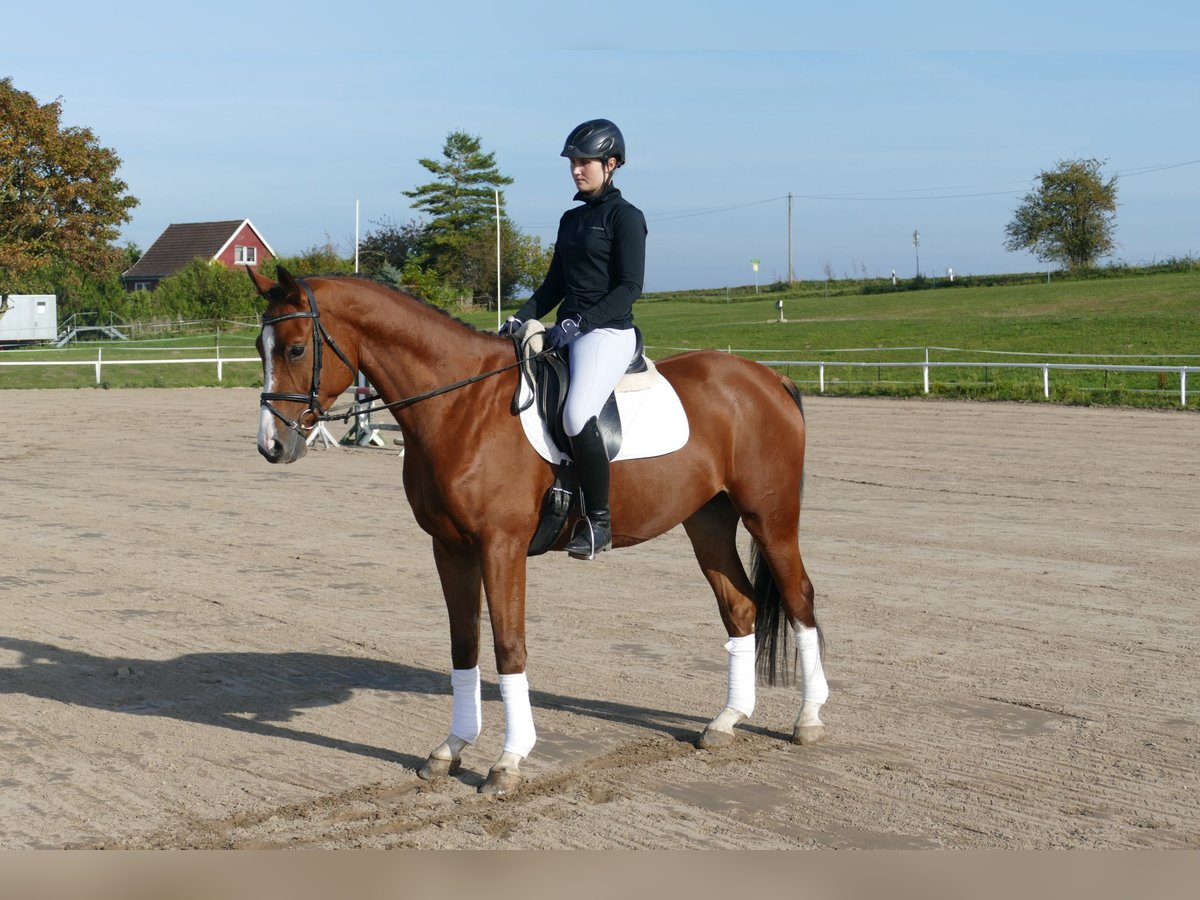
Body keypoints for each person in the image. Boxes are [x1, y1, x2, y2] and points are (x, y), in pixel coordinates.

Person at [500, 118, 647, 560]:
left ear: (612, 163)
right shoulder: (570, 220)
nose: (576, 170)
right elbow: (553, 287)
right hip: (568, 330)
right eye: (573, 162)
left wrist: (579, 324)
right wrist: (521, 317)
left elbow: (629, 287)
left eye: (585, 162)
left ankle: (598, 521)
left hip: (607, 331)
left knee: (576, 413)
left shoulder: (627, 218)